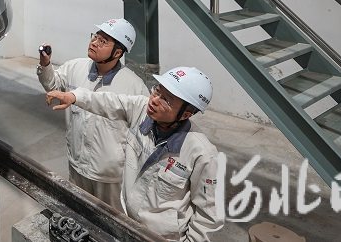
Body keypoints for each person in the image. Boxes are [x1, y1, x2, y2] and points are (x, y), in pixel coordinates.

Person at [45, 66, 223, 242]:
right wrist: (75, 96)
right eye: (157, 91)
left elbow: (208, 216)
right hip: (125, 223)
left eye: (166, 100)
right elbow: (110, 101)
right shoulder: (141, 110)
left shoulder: (201, 153)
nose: (154, 100)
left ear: (185, 114)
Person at [36, 18, 149, 209]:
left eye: (103, 41)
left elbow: (143, 134)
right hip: (77, 164)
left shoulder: (134, 86)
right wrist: (46, 65)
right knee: (77, 211)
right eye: (95, 37)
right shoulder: (75, 67)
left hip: (110, 176)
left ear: (118, 52)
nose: (94, 43)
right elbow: (52, 85)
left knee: (111, 220)